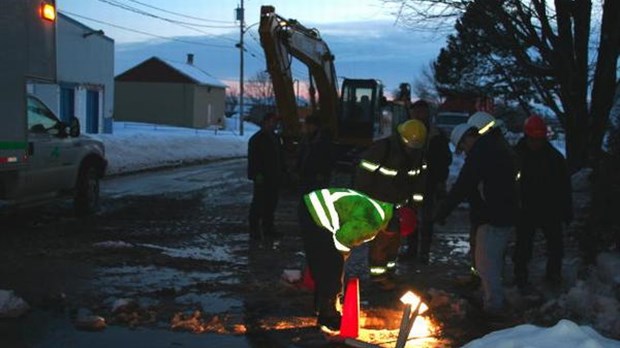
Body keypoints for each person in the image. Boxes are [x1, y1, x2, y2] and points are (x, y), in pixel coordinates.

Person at [434, 121, 519, 317]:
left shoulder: (481, 154)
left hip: (493, 217)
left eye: (463, 145)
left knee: (486, 264)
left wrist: (442, 212)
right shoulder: (494, 148)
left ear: (469, 137)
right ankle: (489, 297)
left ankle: (493, 308)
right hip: (500, 214)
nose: (463, 150)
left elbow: (463, 185)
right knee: (492, 262)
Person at [298, 188, 396, 331]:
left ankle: (322, 307)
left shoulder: (379, 208)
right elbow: (342, 239)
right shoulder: (372, 222)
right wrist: (341, 260)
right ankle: (328, 315)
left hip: (310, 205)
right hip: (315, 214)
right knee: (332, 268)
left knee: (325, 264)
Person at [353, 119, 427, 289]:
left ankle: (390, 273)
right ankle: (378, 278)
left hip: (401, 207)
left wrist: (414, 207)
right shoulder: (382, 149)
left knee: (395, 242)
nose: (411, 149)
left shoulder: (418, 155)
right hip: (380, 205)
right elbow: (363, 177)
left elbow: (419, 182)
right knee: (381, 242)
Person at [513, 115, 573, 288]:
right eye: (532, 139)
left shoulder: (555, 159)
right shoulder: (517, 156)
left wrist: (566, 211)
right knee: (523, 244)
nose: (535, 144)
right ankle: (520, 274)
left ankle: (553, 274)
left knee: (555, 245)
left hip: (549, 209)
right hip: (525, 208)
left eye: (538, 140)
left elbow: (564, 187)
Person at [402, 100, 452, 264]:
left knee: (426, 219)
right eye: (415, 112)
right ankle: (411, 249)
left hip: (429, 183)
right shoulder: (404, 132)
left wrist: (440, 181)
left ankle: (424, 253)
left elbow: (444, 160)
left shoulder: (436, 135)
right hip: (409, 182)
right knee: (410, 217)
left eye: (421, 112)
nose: (418, 115)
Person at [247, 111, 284, 246]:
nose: (275, 124)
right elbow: (254, 159)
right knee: (259, 203)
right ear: (266, 122)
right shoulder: (258, 139)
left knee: (271, 203)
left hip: (273, 176)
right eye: (273, 122)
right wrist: (256, 174)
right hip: (262, 177)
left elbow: (280, 158)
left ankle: (268, 227)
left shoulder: (274, 138)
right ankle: (254, 229)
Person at [296, 114, 334, 195]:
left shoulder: (322, 141)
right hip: (308, 175)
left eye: (307, 124)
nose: (306, 127)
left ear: (313, 126)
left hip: (315, 177)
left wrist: (322, 173)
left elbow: (327, 158)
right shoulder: (307, 139)